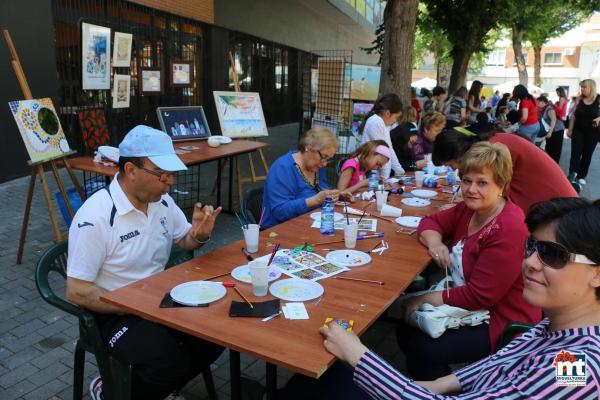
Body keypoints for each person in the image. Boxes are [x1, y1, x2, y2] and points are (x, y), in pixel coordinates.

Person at [312, 197, 600, 399]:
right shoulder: (556, 327)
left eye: (553, 254)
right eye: (532, 246)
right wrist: (433, 385)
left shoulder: (577, 369)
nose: (530, 263)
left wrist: (357, 354)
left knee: (323, 382)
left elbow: (481, 296)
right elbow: (499, 362)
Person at [66, 126, 225, 400]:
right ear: (130, 170)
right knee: (168, 361)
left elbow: (185, 241)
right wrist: (133, 305)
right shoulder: (96, 217)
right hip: (112, 314)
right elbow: (77, 291)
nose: (170, 182)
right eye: (162, 174)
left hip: (157, 300)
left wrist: (199, 235)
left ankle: (159, 388)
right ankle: (111, 391)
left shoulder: (161, 202)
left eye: (171, 174)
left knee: (218, 334)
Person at [397, 142, 541, 380]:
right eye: (466, 180)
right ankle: (440, 382)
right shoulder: (470, 209)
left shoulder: (509, 227)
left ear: (502, 186)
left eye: (482, 182)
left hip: (501, 318)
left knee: (421, 347)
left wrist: (421, 299)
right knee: (405, 328)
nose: (471, 189)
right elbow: (431, 222)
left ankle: (445, 389)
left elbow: (480, 296)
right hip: (473, 305)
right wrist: (436, 244)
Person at [432, 129, 578, 213]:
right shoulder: (492, 143)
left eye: (451, 165)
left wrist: (457, 209)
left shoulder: (494, 151)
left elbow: (493, 199)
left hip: (560, 208)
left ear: (458, 156)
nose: (455, 170)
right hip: (557, 203)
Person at [262, 128, 348, 229]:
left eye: (328, 159)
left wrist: (333, 195)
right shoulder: (283, 168)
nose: (324, 164)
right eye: (323, 157)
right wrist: (315, 200)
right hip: (279, 230)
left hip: (308, 223)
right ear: (308, 147)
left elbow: (322, 190)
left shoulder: (316, 166)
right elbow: (280, 212)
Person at [359, 93, 405, 179]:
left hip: (374, 172)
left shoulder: (384, 124)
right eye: (396, 117)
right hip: (368, 171)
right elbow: (384, 152)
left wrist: (400, 171)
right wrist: (384, 178)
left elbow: (389, 148)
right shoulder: (376, 121)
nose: (395, 121)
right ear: (388, 113)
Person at [567, 79, 600, 186]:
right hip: (578, 131)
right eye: (581, 87)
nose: (582, 89)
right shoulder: (579, 100)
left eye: (584, 87)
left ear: (591, 88)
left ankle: (581, 176)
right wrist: (570, 129)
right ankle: (572, 174)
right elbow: (573, 116)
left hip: (593, 133)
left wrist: (598, 119)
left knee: (587, 155)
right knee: (575, 154)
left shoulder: (598, 99)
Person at [390, 107, 424, 171]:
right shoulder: (396, 147)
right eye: (412, 143)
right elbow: (401, 164)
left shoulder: (412, 127)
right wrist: (415, 165)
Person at [537, 96, 565, 162]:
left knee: (554, 152)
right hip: (553, 131)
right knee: (549, 150)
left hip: (557, 131)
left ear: (543, 102)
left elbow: (554, 119)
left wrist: (550, 132)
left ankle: (555, 167)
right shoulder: (544, 109)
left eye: (538, 103)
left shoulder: (549, 108)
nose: (537, 105)